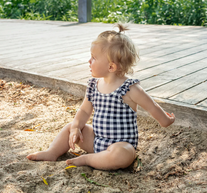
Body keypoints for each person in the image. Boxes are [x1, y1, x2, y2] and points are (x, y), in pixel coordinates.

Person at [27, 24, 175, 170]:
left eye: (93, 58)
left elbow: (151, 106)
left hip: (119, 145)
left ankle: (87, 159)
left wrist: (165, 120)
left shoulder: (130, 89)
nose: (89, 61)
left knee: (124, 155)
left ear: (111, 67)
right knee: (70, 127)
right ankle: (52, 152)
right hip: (95, 140)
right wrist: (77, 127)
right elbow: (84, 111)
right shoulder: (93, 85)